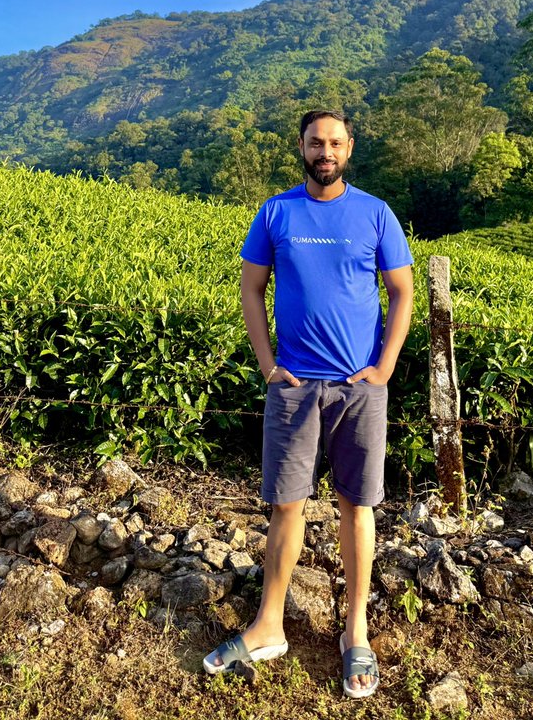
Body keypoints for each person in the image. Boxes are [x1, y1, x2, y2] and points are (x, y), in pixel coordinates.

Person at [203, 109, 414, 699]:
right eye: (316, 143)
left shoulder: (376, 213)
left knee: (357, 506)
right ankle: (269, 626)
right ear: (301, 147)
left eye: (335, 143)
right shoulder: (276, 212)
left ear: (349, 148)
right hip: (295, 388)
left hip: (358, 389)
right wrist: (268, 365)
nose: (326, 152)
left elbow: (402, 292)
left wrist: (385, 368)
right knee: (286, 506)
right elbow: (251, 288)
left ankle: (356, 631)